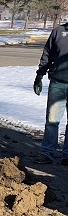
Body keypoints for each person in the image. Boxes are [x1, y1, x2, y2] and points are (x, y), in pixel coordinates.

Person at [34, 19, 68, 164]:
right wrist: (39, 75)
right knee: (52, 120)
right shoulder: (58, 31)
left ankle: (67, 155)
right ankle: (47, 153)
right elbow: (47, 54)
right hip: (58, 83)